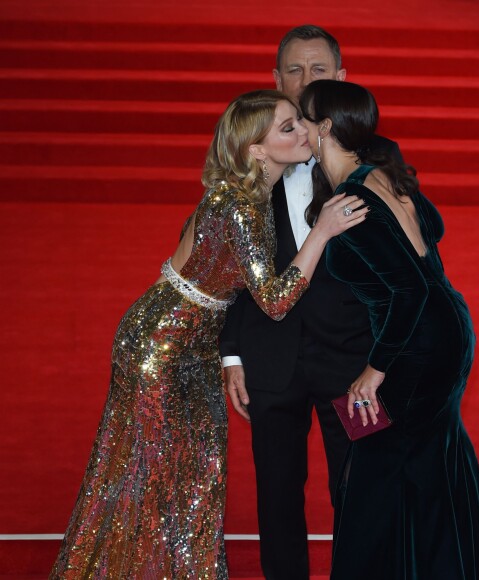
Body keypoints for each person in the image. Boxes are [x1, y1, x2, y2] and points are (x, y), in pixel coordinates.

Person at [49, 89, 367, 579]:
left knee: (198, 478)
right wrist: (322, 232)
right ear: (255, 150)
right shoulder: (238, 205)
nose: (305, 131)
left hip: (200, 349)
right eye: (288, 127)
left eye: (300, 122)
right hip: (162, 349)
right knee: (149, 476)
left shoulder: (248, 197)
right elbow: (275, 301)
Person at [219, 25, 403, 580]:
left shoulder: (375, 161)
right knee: (276, 499)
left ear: (340, 78)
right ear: (276, 80)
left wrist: (386, 360)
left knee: (365, 488)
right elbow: (224, 266)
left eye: (317, 70)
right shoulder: (250, 160)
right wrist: (231, 355)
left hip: (353, 367)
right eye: (293, 71)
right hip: (269, 363)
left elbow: (403, 273)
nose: (304, 82)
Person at [299, 78, 479, 579]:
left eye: (303, 119)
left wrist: (375, 369)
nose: (299, 128)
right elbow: (432, 231)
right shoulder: (379, 176)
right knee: (430, 461)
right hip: (448, 330)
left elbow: (407, 292)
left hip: (415, 343)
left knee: (375, 469)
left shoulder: (352, 200)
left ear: (324, 128)